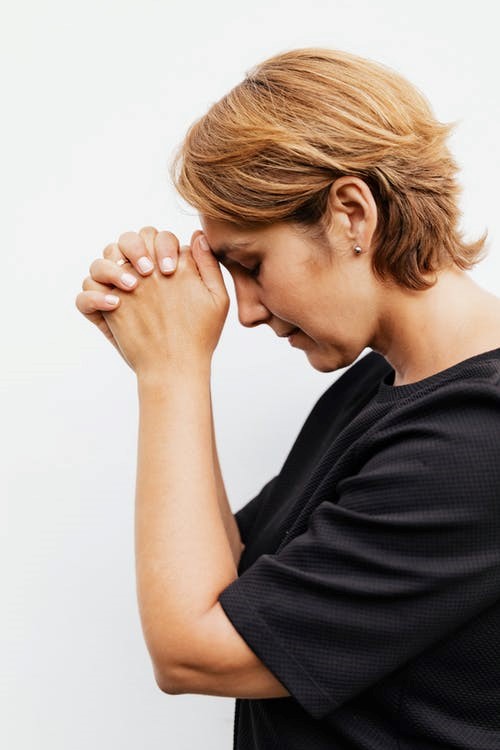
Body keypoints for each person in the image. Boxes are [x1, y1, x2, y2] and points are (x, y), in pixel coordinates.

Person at [75, 47, 500, 749]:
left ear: (351, 215)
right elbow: (232, 575)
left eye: (250, 263)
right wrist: (174, 358)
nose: (243, 311)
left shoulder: (474, 438)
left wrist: (172, 372)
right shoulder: (382, 384)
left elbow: (195, 649)